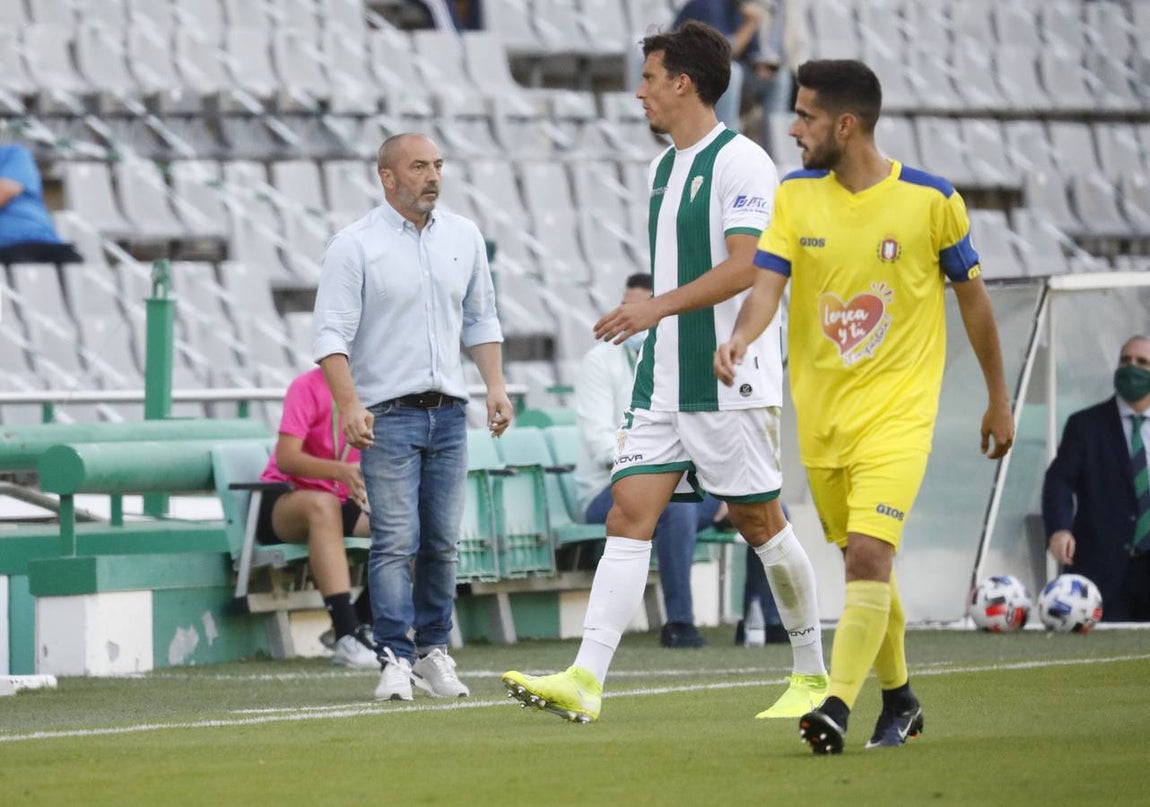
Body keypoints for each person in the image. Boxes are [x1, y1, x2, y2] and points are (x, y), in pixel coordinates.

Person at [503, 21, 828, 724]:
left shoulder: (744, 163)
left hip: (726, 375)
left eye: (649, 77)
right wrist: (657, 321)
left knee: (758, 520)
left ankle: (812, 672)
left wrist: (655, 309)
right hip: (665, 380)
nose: (639, 91)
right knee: (629, 513)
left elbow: (749, 265)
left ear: (684, 82)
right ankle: (586, 679)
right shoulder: (661, 169)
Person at [715, 58, 1015, 754]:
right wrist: (739, 338)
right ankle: (902, 698)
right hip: (821, 420)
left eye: (805, 116)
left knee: (868, 559)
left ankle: (836, 707)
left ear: (844, 125)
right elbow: (766, 288)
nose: (792, 129)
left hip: (899, 416)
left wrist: (999, 399)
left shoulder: (932, 200)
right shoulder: (794, 197)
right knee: (862, 560)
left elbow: (975, 304)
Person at [313, 132, 512, 702]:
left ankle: (431, 652)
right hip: (389, 415)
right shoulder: (353, 245)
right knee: (396, 540)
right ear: (388, 177)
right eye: (419, 166)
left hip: (450, 412)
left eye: (439, 165)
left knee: (444, 542)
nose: (433, 176)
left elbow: (482, 317)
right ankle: (395, 656)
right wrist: (349, 404)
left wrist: (495, 386)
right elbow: (330, 332)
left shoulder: (464, 236)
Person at [576, 271, 724, 649]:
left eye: (639, 307)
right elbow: (598, 444)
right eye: (625, 305)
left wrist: (720, 488)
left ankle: (769, 624)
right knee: (676, 507)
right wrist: (655, 467)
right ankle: (679, 622)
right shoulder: (600, 361)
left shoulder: (671, 359)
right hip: (604, 490)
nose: (629, 314)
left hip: (670, 480)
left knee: (757, 502)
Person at [258, 367, 377, 669]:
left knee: (412, 526)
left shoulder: (379, 387)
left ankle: (361, 625)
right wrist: (341, 471)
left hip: (341, 500)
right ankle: (347, 636)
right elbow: (287, 458)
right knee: (322, 506)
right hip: (284, 501)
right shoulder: (306, 386)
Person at [1042, 335, 1150, 622]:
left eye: (1142, 362)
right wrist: (1059, 530)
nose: (1132, 367)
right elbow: (1059, 481)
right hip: (1100, 573)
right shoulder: (1086, 425)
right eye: (1125, 360)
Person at [672, 0, 763, 132]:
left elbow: (753, 51)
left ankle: (775, 146)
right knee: (733, 71)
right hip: (687, 67)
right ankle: (726, 138)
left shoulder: (741, 8)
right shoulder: (710, 5)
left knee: (780, 80)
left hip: (732, 69)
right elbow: (721, 53)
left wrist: (761, 65)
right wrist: (750, 24)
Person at [0, 143, 82, 266]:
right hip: (8, 250)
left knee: (76, 270)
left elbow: (5, 191)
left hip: (42, 244)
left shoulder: (13, 154)